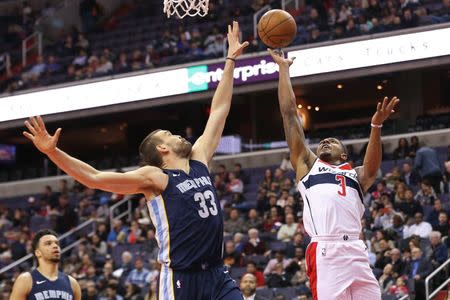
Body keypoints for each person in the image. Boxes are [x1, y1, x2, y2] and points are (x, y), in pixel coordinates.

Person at [23, 22, 249, 300]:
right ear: (162, 149)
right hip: (182, 277)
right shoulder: (155, 178)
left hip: (217, 274)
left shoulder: (200, 158)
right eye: (170, 134)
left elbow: (220, 110)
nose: (178, 135)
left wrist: (230, 60)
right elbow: (93, 177)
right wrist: (52, 152)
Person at [268, 48, 400, 299]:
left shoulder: (354, 175)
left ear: (344, 155)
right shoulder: (307, 164)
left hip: (356, 250)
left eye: (333, 141)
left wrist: (376, 126)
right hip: (326, 249)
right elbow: (289, 115)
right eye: (323, 142)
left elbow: (372, 169)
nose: (326, 141)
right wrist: (283, 70)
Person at [9, 229, 81, 300]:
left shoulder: (72, 283)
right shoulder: (26, 280)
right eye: (48, 243)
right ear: (38, 253)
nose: (55, 246)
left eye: (57, 243)